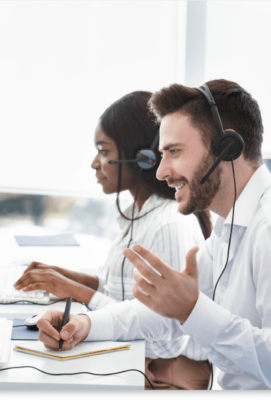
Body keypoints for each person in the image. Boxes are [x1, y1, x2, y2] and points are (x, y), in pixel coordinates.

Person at [37, 79, 271, 390]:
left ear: (227, 148)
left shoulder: (266, 229)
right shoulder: (228, 229)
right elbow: (164, 311)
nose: (161, 172)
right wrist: (84, 324)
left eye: (174, 151)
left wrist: (191, 310)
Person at [14, 91, 212, 390]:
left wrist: (78, 292)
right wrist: (64, 278)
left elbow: (165, 331)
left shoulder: (169, 225)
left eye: (104, 151)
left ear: (143, 158)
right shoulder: (137, 213)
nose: (95, 163)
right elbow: (122, 294)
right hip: (136, 360)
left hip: (163, 375)